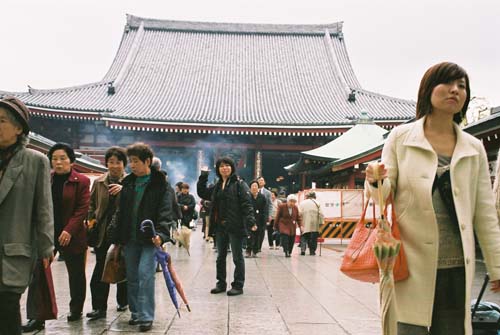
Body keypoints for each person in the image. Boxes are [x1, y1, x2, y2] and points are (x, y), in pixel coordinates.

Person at [365, 62, 500, 335]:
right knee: (408, 329)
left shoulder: (473, 148)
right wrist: (375, 178)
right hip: (410, 261)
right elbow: (383, 195)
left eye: (462, 86)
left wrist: (497, 266)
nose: (455, 90)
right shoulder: (402, 138)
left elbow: (485, 213)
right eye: (447, 83)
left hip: (456, 266)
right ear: (428, 90)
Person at [0, 96, 54, 335]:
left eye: (1, 121)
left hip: (13, 251)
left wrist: (46, 249)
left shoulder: (36, 162)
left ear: (18, 127)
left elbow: (43, 209)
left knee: (7, 309)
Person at [24, 142, 90, 331]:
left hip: (73, 235)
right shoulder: (46, 179)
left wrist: (69, 230)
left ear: (71, 160)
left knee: (76, 275)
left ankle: (76, 309)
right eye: (54, 158)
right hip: (47, 234)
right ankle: (37, 317)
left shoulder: (82, 181)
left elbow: (82, 209)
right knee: (39, 274)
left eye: (62, 158)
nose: (58, 162)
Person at [111, 142, 174, 332]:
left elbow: (165, 212)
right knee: (132, 276)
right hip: (130, 238)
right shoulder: (128, 183)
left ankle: (146, 316)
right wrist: (117, 239)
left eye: (136, 161)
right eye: (130, 161)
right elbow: (120, 213)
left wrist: (162, 235)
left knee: (146, 275)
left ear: (147, 161)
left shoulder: (160, 184)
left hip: (150, 239)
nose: (132, 165)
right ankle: (136, 312)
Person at [197, 157, 255, 296]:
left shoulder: (240, 184)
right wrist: (203, 176)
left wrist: (251, 221)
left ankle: (238, 285)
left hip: (235, 225)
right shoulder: (217, 186)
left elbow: (247, 204)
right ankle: (221, 283)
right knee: (220, 257)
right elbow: (202, 193)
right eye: (222, 166)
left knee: (237, 257)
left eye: (228, 165)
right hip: (220, 226)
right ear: (218, 169)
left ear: (232, 168)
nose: (225, 168)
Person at [86, 147, 128, 321]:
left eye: (118, 162)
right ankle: (99, 307)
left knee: (122, 266)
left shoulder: (130, 182)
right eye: (111, 162)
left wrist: (123, 190)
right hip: (103, 232)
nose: (114, 166)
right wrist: (91, 222)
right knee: (100, 270)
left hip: (122, 233)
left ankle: (123, 301)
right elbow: (91, 204)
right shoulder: (99, 182)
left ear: (124, 163)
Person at [246, 180, 268, 258]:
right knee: (249, 236)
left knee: (257, 236)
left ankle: (255, 251)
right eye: (253, 186)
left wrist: (265, 219)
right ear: (250, 188)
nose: (254, 187)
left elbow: (265, 209)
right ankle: (248, 250)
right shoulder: (247, 196)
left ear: (258, 188)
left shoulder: (262, 197)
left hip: (259, 219)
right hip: (249, 219)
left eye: (256, 186)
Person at [298, 191, 324, 256]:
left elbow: (299, 214)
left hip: (305, 222)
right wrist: (321, 223)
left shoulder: (302, 203)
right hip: (315, 224)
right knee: (313, 238)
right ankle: (312, 251)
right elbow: (321, 214)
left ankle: (303, 250)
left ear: (307, 196)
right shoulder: (317, 203)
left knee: (304, 236)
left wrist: (299, 223)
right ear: (314, 196)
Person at [256, 176, 272, 251]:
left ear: (264, 182)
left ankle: (259, 246)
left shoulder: (268, 193)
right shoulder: (253, 190)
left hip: (264, 214)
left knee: (262, 230)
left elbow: (270, 204)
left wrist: (270, 215)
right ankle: (254, 245)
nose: (261, 182)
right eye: (259, 180)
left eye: (262, 180)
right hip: (255, 214)